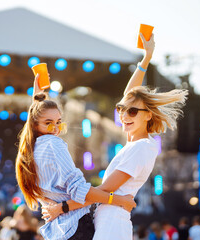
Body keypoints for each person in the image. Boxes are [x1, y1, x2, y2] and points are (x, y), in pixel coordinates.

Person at [42, 33, 188, 240]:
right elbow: (130, 95)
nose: (124, 115)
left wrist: (62, 207)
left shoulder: (142, 147)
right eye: (121, 109)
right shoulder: (135, 144)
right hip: (108, 222)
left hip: (112, 225)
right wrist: (146, 59)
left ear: (149, 115)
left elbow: (101, 190)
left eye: (132, 112)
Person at [15, 55, 140, 239]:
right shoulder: (53, 144)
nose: (55, 129)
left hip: (59, 232)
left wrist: (38, 97)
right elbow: (80, 190)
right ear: (35, 125)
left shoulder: (29, 151)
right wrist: (118, 200)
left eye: (58, 122)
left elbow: (37, 114)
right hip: (76, 228)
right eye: (49, 123)